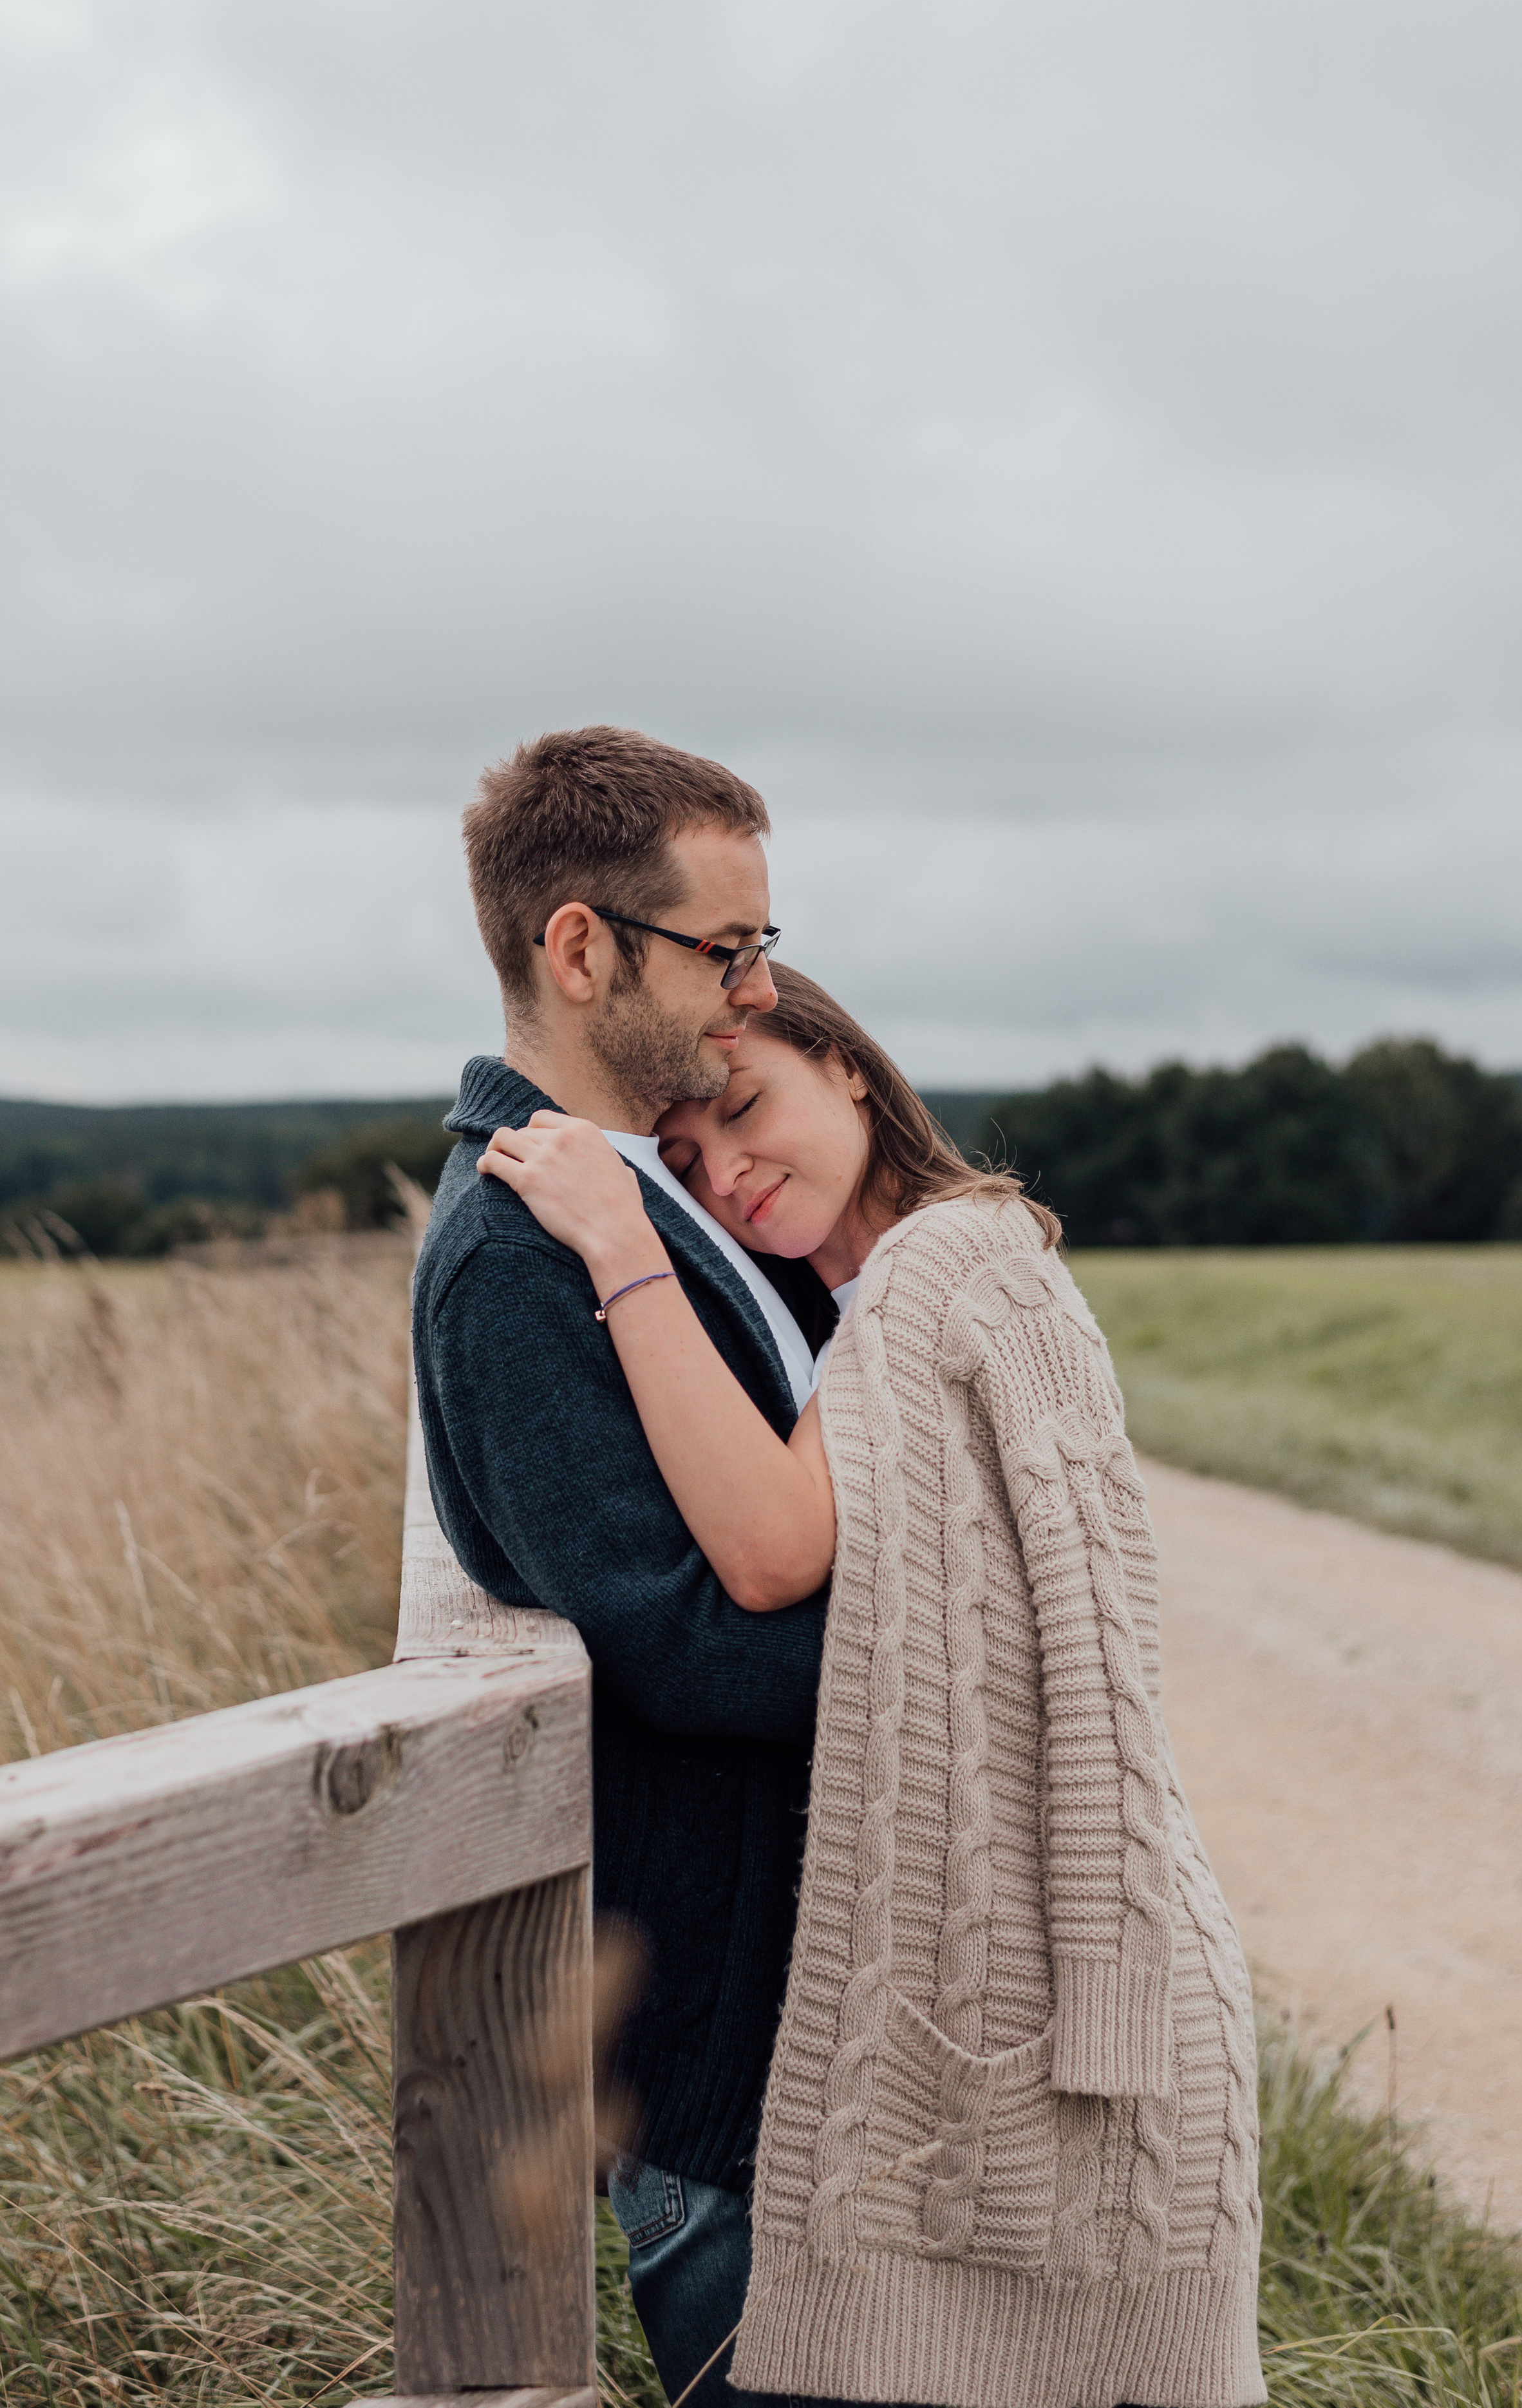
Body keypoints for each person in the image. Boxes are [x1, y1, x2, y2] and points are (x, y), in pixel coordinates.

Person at [479, 965, 1268, 2408]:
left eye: (745, 1108)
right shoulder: (897, 1281)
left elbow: (772, 1550)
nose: (726, 1173)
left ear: (846, 1065)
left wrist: (621, 1243)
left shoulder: (929, 1270)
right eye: (684, 1165)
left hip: (1073, 1990)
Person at [413, 725, 841, 2408]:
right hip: (718, 2079)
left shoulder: (658, 1190)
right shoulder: (512, 1252)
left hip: (804, 2038)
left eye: (763, 945)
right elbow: (671, 1639)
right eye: (723, 949)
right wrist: (971, 1664)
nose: (757, 990)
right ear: (581, 949)